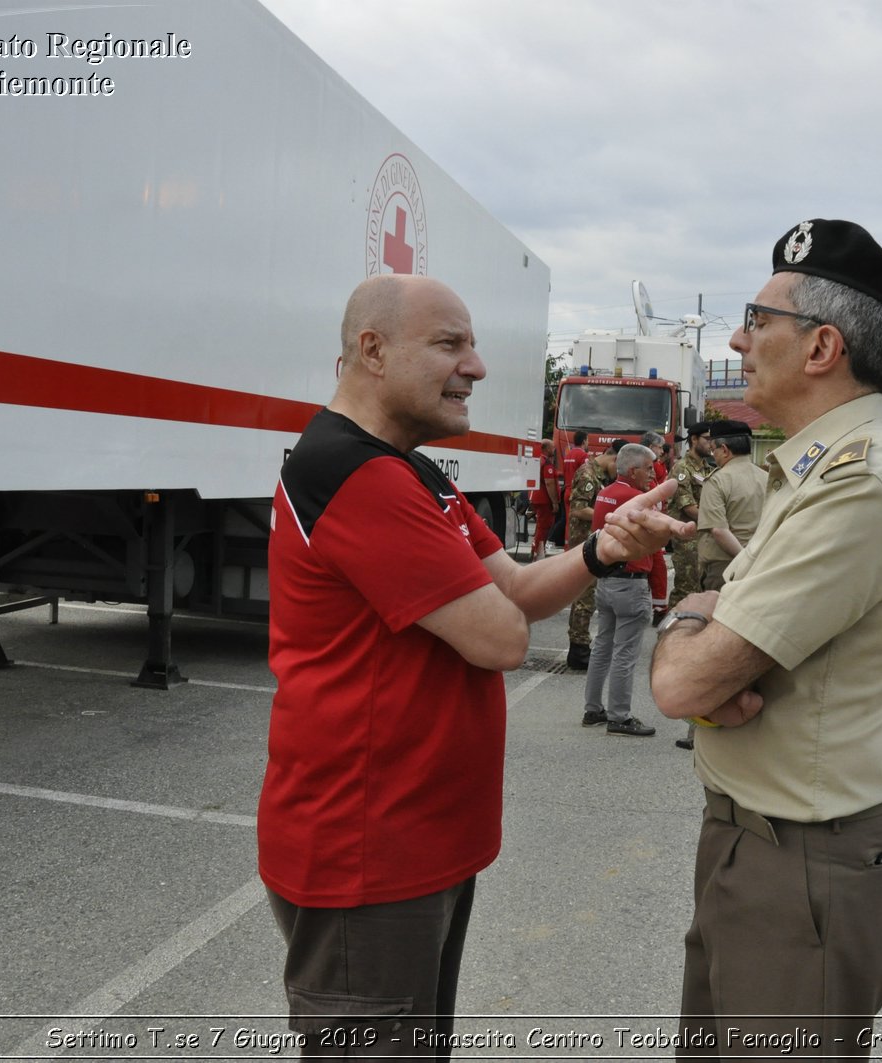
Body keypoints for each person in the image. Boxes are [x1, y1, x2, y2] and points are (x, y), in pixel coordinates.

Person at [260, 275, 688, 1054]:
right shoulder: (355, 475)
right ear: (373, 350)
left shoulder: (409, 469)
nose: (478, 366)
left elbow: (518, 590)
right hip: (368, 854)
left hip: (417, 844)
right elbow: (500, 637)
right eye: (451, 344)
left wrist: (603, 548)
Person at [650, 218, 882, 1055]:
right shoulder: (817, 467)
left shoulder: (860, 484)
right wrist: (696, 622)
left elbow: (683, 688)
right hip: (759, 844)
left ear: (821, 348)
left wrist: (690, 627)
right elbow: (705, 650)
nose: (739, 339)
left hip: (804, 864)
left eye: (757, 319)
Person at [583, 443, 663, 737]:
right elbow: (655, 547)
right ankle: (620, 716)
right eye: (648, 468)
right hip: (630, 582)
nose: (652, 475)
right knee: (625, 654)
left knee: (603, 646)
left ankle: (593, 708)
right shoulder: (638, 499)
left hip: (606, 579)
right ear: (633, 470)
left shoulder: (606, 493)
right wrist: (660, 595)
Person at [695, 419, 767, 591]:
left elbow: (719, 530)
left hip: (726, 566)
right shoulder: (766, 478)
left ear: (725, 450)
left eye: (713, 451)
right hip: (760, 562)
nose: (714, 456)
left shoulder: (718, 481)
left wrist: (743, 560)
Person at [564, 443, 619, 670]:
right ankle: (578, 649)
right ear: (613, 458)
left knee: (589, 597)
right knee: (584, 599)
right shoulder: (587, 473)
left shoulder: (598, 475)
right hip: (583, 544)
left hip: (592, 543)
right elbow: (578, 509)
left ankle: (581, 646)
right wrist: (609, 516)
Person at [667, 422, 713, 610]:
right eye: (708, 439)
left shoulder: (707, 468)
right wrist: (717, 521)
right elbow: (689, 508)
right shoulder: (682, 468)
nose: (711, 444)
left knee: (702, 588)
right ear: (694, 439)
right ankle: (670, 631)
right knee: (686, 589)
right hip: (687, 538)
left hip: (704, 535)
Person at [641, 430, 672, 621]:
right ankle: (658, 609)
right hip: (647, 525)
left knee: (657, 569)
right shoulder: (645, 465)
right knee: (655, 568)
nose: (662, 451)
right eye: (660, 447)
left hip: (653, 522)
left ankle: (658, 608)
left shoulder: (654, 465)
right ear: (651, 447)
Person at [529, 440, 559, 559]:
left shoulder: (537, 460)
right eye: (553, 447)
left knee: (539, 526)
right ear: (546, 449)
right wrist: (555, 502)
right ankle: (538, 552)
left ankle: (535, 549)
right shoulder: (546, 463)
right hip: (544, 499)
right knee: (544, 527)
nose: (554, 450)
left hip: (536, 497)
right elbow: (549, 483)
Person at [561, 430, 588, 509]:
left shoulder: (568, 454)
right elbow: (587, 474)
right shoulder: (583, 455)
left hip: (567, 491)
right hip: (577, 492)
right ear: (584, 441)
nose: (588, 443)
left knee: (568, 520)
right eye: (587, 440)